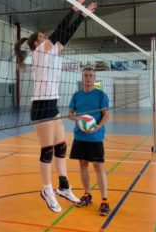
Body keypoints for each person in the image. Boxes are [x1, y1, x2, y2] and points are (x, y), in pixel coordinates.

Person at [15, 0, 97, 213]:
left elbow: (66, 36)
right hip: (41, 106)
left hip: (52, 104)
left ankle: (62, 187)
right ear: (36, 44)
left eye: (44, 36)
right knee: (47, 151)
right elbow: (60, 32)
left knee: (61, 146)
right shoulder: (40, 52)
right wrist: (73, 9)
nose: (44, 38)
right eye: (41, 36)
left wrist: (82, 16)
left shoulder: (51, 53)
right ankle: (47, 190)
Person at [68, 67, 110, 216]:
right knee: (83, 165)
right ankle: (87, 195)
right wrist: (77, 119)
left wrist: (98, 126)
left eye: (91, 76)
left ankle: (104, 201)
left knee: (98, 167)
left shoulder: (101, 95)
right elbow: (70, 114)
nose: (88, 78)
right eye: (85, 75)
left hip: (95, 137)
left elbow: (106, 115)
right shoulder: (76, 95)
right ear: (82, 77)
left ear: (94, 77)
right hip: (80, 136)